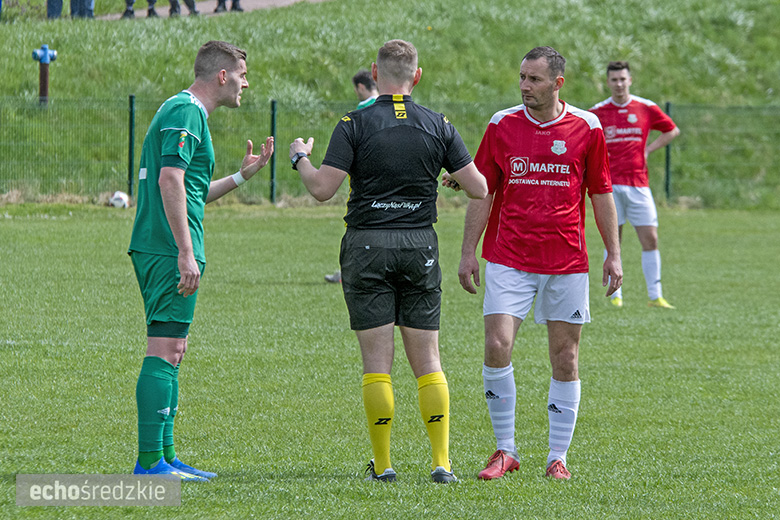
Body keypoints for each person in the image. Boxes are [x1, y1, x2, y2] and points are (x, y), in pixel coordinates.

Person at [289, 39, 488, 483]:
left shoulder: (353, 123)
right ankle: (442, 463)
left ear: (374, 75)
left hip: (367, 245)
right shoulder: (438, 124)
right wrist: (449, 176)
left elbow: (322, 189)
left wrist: (300, 157)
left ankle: (383, 466)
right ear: (416, 77)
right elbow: (478, 187)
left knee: (377, 364)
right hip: (420, 245)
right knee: (429, 360)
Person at [455, 46, 622, 481]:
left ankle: (557, 457)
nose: (525, 86)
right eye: (522, 78)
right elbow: (483, 191)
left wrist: (614, 252)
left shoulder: (587, 127)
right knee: (496, 345)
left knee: (565, 357)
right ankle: (505, 450)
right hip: (509, 256)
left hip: (566, 260)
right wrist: (467, 251)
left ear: (557, 83)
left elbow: (601, 192)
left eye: (534, 79)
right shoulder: (502, 124)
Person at [127, 40, 274, 480]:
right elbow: (170, 179)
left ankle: (166, 458)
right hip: (166, 247)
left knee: (175, 349)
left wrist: (242, 175)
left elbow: (190, 191)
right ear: (223, 75)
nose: (246, 83)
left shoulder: (188, 113)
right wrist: (185, 251)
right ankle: (150, 462)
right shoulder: (186, 110)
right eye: (243, 75)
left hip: (170, 244)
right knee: (165, 348)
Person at [590, 61, 680, 309]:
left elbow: (672, 130)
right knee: (613, 240)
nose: (618, 84)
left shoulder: (645, 107)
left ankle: (656, 296)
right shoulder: (597, 112)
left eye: (622, 79)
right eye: (614, 80)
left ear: (630, 80)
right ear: (608, 83)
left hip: (639, 184)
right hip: (610, 187)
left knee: (650, 238)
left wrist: (648, 149)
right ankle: (616, 294)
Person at [323, 68, 380, 284]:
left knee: (358, 229)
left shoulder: (362, 110)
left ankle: (349, 270)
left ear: (361, 87)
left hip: (364, 184)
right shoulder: (390, 104)